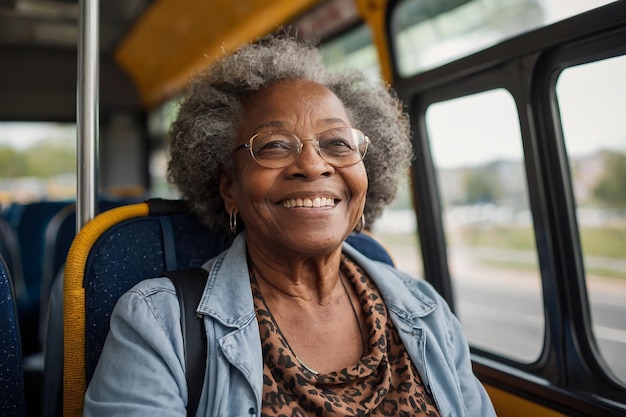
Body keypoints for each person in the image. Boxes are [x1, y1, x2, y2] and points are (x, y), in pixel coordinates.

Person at [83, 34, 497, 417]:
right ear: (229, 186)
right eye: (275, 146)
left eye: (337, 143)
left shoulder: (425, 309)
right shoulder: (158, 323)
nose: (314, 165)